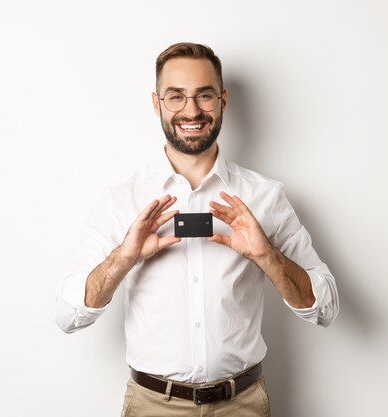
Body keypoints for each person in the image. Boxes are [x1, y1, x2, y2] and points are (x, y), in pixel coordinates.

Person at [55, 42, 339, 417]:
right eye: (176, 97)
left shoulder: (265, 197)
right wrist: (123, 259)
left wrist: (266, 256)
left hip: (243, 405)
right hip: (153, 406)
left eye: (204, 95)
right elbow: (68, 316)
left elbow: (324, 308)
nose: (191, 110)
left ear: (222, 100)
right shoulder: (120, 201)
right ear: (157, 104)